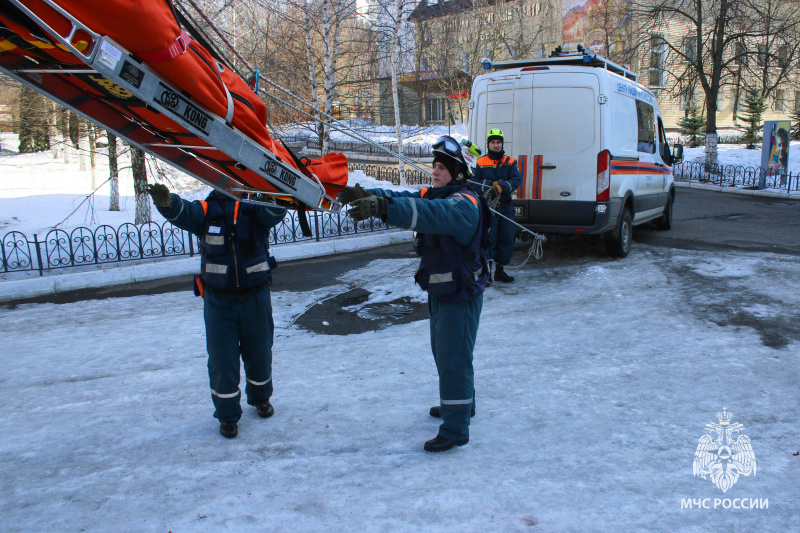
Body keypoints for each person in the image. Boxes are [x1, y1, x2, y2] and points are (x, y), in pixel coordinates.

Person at [337, 135, 489, 452]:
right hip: (444, 289)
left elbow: (428, 213)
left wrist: (383, 209)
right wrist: (370, 195)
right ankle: (461, 405)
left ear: (459, 173)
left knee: (453, 358)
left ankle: (456, 428)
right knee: (448, 353)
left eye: (443, 167)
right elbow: (405, 196)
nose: (435, 171)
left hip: (460, 294)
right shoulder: (439, 194)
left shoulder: (464, 204)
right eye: (434, 165)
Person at [146, 184, 286, 439]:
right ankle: (227, 414)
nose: (230, 183)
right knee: (222, 360)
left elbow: (275, 212)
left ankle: (260, 398)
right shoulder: (206, 210)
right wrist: (168, 203)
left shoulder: (256, 206)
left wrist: (275, 192)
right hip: (219, 301)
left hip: (255, 296)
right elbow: (184, 213)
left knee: (259, 352)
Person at [471, 129, 523, 283]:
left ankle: (500, 272)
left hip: (506, 208)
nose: (495, 145)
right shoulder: (480, 162)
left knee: (506, 240)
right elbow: (473, 183)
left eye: (498, 142)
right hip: (489, 209)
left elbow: (516, 180)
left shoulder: (511, 162)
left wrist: (503, 186)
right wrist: (489, 185)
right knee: (488, 240)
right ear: (488, 144)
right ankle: (486, 274)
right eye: (493, 142)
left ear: (502, 144)